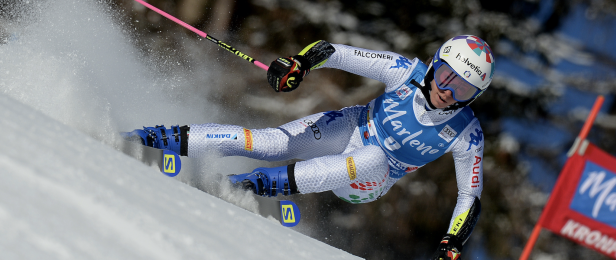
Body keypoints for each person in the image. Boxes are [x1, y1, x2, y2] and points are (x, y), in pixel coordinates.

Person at [122, 35, 495, 260]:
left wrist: (453, 243)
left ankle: (252, 185)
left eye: (462, 89)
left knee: (374, 157)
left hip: (369, 179)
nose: (447, 91)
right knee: (268, 142)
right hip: (350, 126)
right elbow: (333, 51)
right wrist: (299, 64)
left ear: (473, 97)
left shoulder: (466, 133)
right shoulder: (404, 71)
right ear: (435, 64)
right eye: (446, 75)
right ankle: (155, 138)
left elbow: (470, 197)